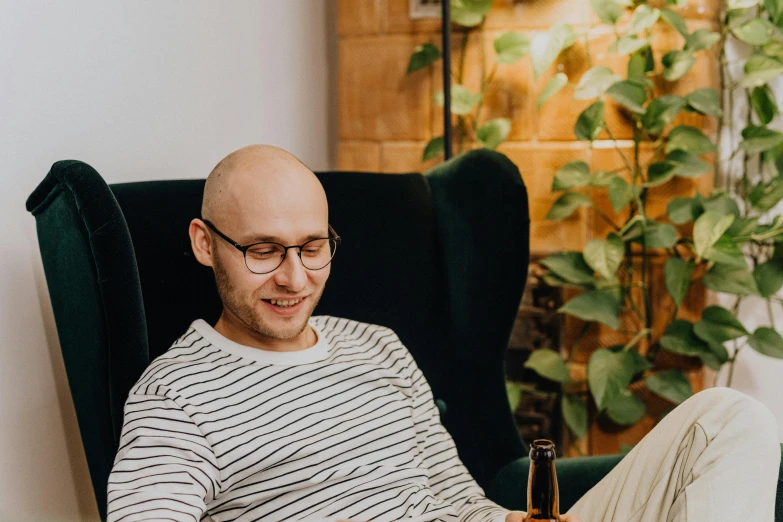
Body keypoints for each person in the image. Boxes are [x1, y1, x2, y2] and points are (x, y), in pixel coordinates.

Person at [107, 145, 781, 522]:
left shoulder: (377, 345)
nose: (294, 279)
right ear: (205, 242)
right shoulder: (177, 398)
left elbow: (456, 501)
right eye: (262, 250)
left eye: (313, 247)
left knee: (726, 418)